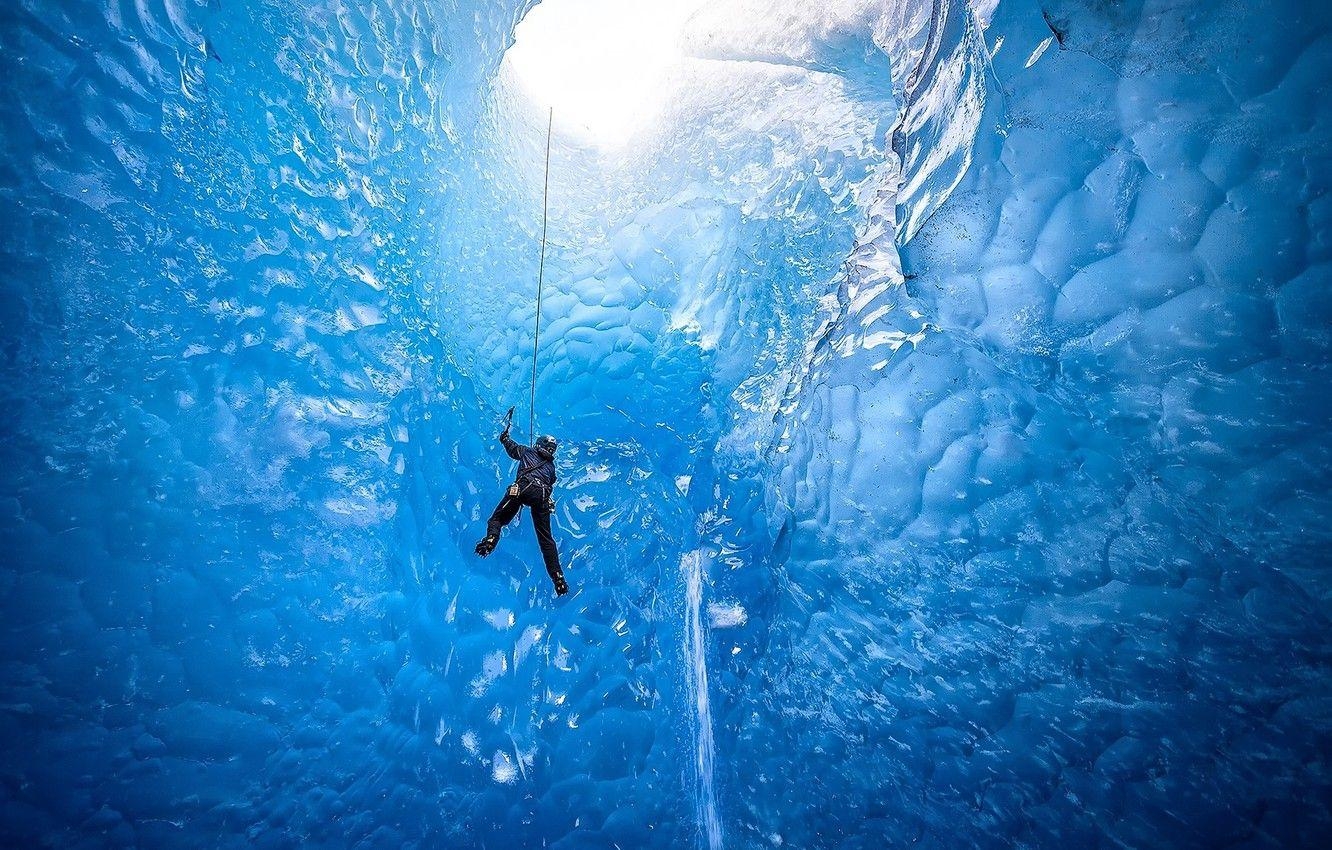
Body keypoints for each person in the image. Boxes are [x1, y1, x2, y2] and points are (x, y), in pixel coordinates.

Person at [475, 424, 568, 596]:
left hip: (523, 488)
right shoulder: (551, 468)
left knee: (497, 519)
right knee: (546, 540)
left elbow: (512, 449)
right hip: (541, 497)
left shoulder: (527, 451)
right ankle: (558, 577)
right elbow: (551, 483)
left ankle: (491, 539)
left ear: (539, 443)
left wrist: (504, 438)